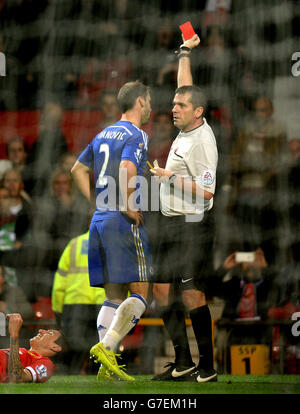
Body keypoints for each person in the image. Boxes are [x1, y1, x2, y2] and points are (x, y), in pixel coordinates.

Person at [71, 79, 152, 381]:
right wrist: (128, 203)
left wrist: (95, 203)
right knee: (142, 291)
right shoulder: (137, 134)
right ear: (141, 101)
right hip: (122, 222)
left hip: (99, 220)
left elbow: (77, 170)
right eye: (150, 101)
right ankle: (108, 346)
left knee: (113, 295)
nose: (151, 107)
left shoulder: (102, 133)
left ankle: (106, 369)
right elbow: (127, 169)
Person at [150, 33, 218, 382]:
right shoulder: (187, 123)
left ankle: (207, 366)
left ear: (198, 113)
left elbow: (207, 191)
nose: (173, 108)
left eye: (180, 106)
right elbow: (185, 87)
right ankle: (182, 361)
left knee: (192, 293)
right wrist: (184, 53)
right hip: (169, 223)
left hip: (192, 225)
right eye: (174, 104)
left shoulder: (203, 142)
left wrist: (166, 176)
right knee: (161, 290)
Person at [51, 230, 106, 374]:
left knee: (74, 350)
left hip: (74, 303)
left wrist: (57, 309)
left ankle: (70, 380)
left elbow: (60, 281)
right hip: (105, 304)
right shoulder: (114, 244)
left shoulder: (74, 244)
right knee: (101, 349)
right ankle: (98, 380)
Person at [0, 313, 64, 383]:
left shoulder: (46, 364)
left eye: (49, 333)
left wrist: (14, 335)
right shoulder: (23, 351)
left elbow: (17, 377)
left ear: (55, 347)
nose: (41, 330)